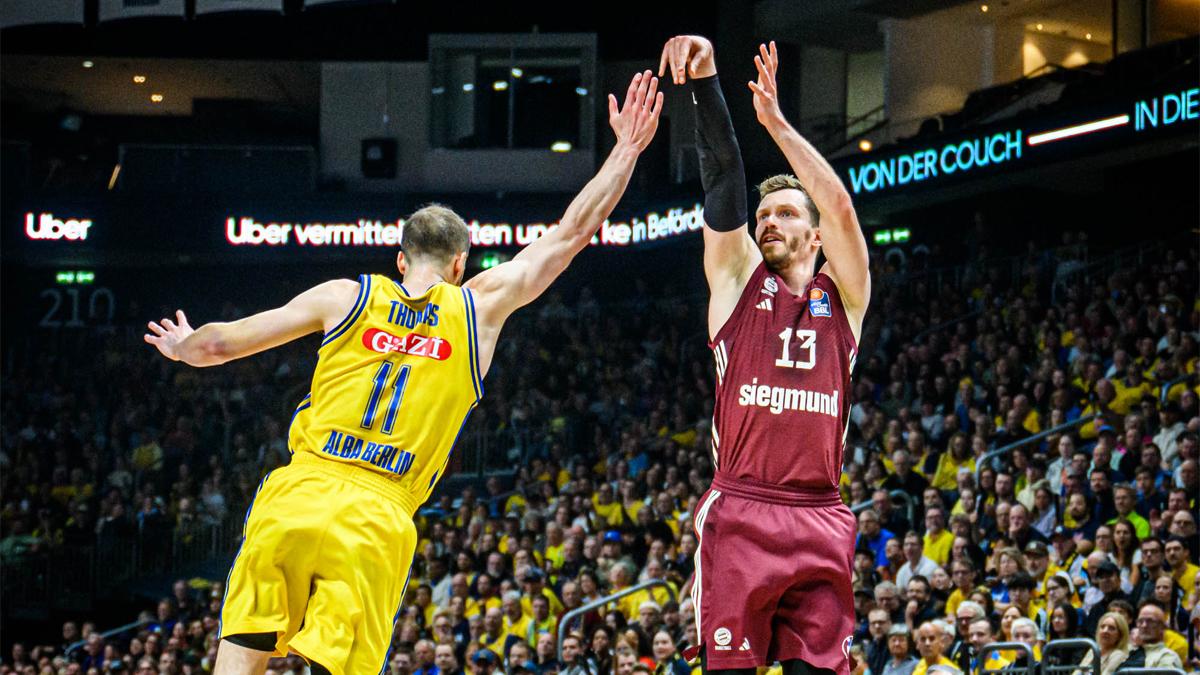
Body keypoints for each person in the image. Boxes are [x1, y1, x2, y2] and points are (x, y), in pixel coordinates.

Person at [144, 70, 664, 675]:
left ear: (399, 258)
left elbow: (222, 346)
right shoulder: (476, 308)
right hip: (376, 514)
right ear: (460, 262)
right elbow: (571, 233)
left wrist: (182, 345)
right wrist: (626, 149)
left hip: (297, 493)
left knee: (239, 660)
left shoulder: (345, 296)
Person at [658, 35, 869, 675]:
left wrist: (776, 124)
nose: (766, 222)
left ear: (813, 234)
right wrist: (706, 84)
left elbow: (839, 205)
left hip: (820, 513)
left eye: (783, 213)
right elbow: (722, 173)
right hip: (742, 510)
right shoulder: (735, 280)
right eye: (763, 214)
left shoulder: (848, 294)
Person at [1118, 602, 1183, 670]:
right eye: (1140, 621)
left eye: (1150, 621)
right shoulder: (1127, 650)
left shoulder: (1166, 656)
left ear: (1162, 627)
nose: (1144, 625)